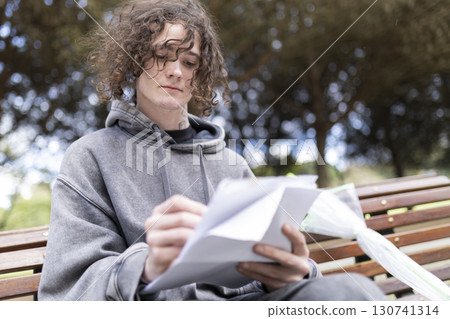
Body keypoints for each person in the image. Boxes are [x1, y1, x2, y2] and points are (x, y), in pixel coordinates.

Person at [38, 0, 385, 301]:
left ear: (199, 76)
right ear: (133, 63)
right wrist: (144, 266)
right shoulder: (90, 158)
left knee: (357, 291)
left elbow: (271, 253)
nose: (175, 71)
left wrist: (297, 271)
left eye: (189, 62)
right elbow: (68, 290)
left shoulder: (231, 164)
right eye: (162, 55)